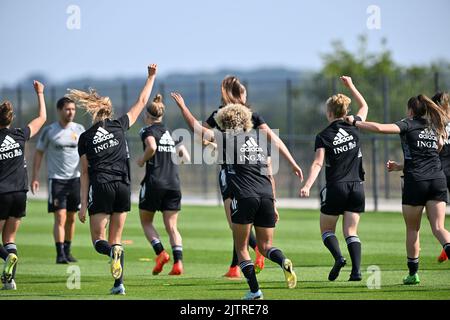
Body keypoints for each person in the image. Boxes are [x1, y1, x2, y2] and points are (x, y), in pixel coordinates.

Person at [172, 92, 302, 300]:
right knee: (266, 246)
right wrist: (274, 203)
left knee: (242, 248)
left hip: (244, 196)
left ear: (224, 122)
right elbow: (269, 173)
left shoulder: (224, 138)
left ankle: (254, 291)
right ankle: (283, 260)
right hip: (267, 195)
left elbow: (197, 130)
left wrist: (183, 107)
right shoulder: (259, 140)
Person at [69, 63, 157, 295]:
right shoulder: (119, 125)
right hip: (123, 186)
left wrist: (81, 205)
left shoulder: (85, 138)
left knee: (99, 240)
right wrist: (151, 77)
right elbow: (140, 102)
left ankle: (112, 257)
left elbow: (85, 173)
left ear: (92, 112)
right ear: (109, 111)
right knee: (116, 239)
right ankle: (119, 285)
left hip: (101, 186)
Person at [347, 94, 450, 285]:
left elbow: (379, 128)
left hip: (416, 182)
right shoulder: (434, 126)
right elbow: (434, 151)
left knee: (413, 229)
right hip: (437, 179)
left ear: (410, 110)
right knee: (438, 227)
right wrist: (400, 166)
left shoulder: (407, 124)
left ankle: (413, 274)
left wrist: (355, 122)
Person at [204, 76, 300, 278]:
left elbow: (201, 136)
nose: (247, 95)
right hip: (249, 173)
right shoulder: (223, 115)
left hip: (233, 175)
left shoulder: (242, 115)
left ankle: (250, 255)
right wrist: (291, 162)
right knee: (238, 225)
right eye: (244, 92)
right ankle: (243, 261)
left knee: (236, 224)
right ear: (239, 94)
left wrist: (213, 144)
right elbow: (274, 141)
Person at [300, 76, 368, 282]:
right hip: (357, 186)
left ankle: (339, 258)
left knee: (327, 229)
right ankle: (356, 272)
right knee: (351, 231)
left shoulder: (323, 135)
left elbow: (318, 163)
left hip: (336, 187)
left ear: (329, 113)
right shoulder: (355, 126)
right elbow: (364, 105)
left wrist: (307, 185)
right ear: (346, 112)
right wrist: (351, 86)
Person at [0, 80, 47, 290]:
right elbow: (42, 118)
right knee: (10, 238)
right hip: (20, 192)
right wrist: (40, 93)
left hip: (1, 193)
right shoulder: (19, 135)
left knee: (5, 243)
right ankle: (10, 282)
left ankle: (7, 259)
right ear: (11, 119)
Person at [137, 94, 190, 276]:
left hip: (155, 182)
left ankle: (160, 253)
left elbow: (151, 147)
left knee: (146, 221)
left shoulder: (147, 130)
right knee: (172, 227)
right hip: (173, 183)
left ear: (147, 115)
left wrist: (141, 160)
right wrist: (175, 164)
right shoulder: (170, 133)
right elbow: (185, 155)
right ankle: (178, 264)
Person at [31, 97, 85, 264]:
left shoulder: (80, 129)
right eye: (68, 109)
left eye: (73, 109)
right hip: (57, 180)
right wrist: (35, 177)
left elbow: (85, 155)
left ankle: (68, 251)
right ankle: (59, 253)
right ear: (59, 110)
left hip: (75, 180)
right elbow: (39, 152)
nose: (71, 112)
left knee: (71, 218)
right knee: (60, 217)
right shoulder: (50, 131)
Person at [432, 92, 450, 263]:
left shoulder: (437, 123)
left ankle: (447, 244)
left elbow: (438, 145)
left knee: (436, 220)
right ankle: (447, 245)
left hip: (440, 172)